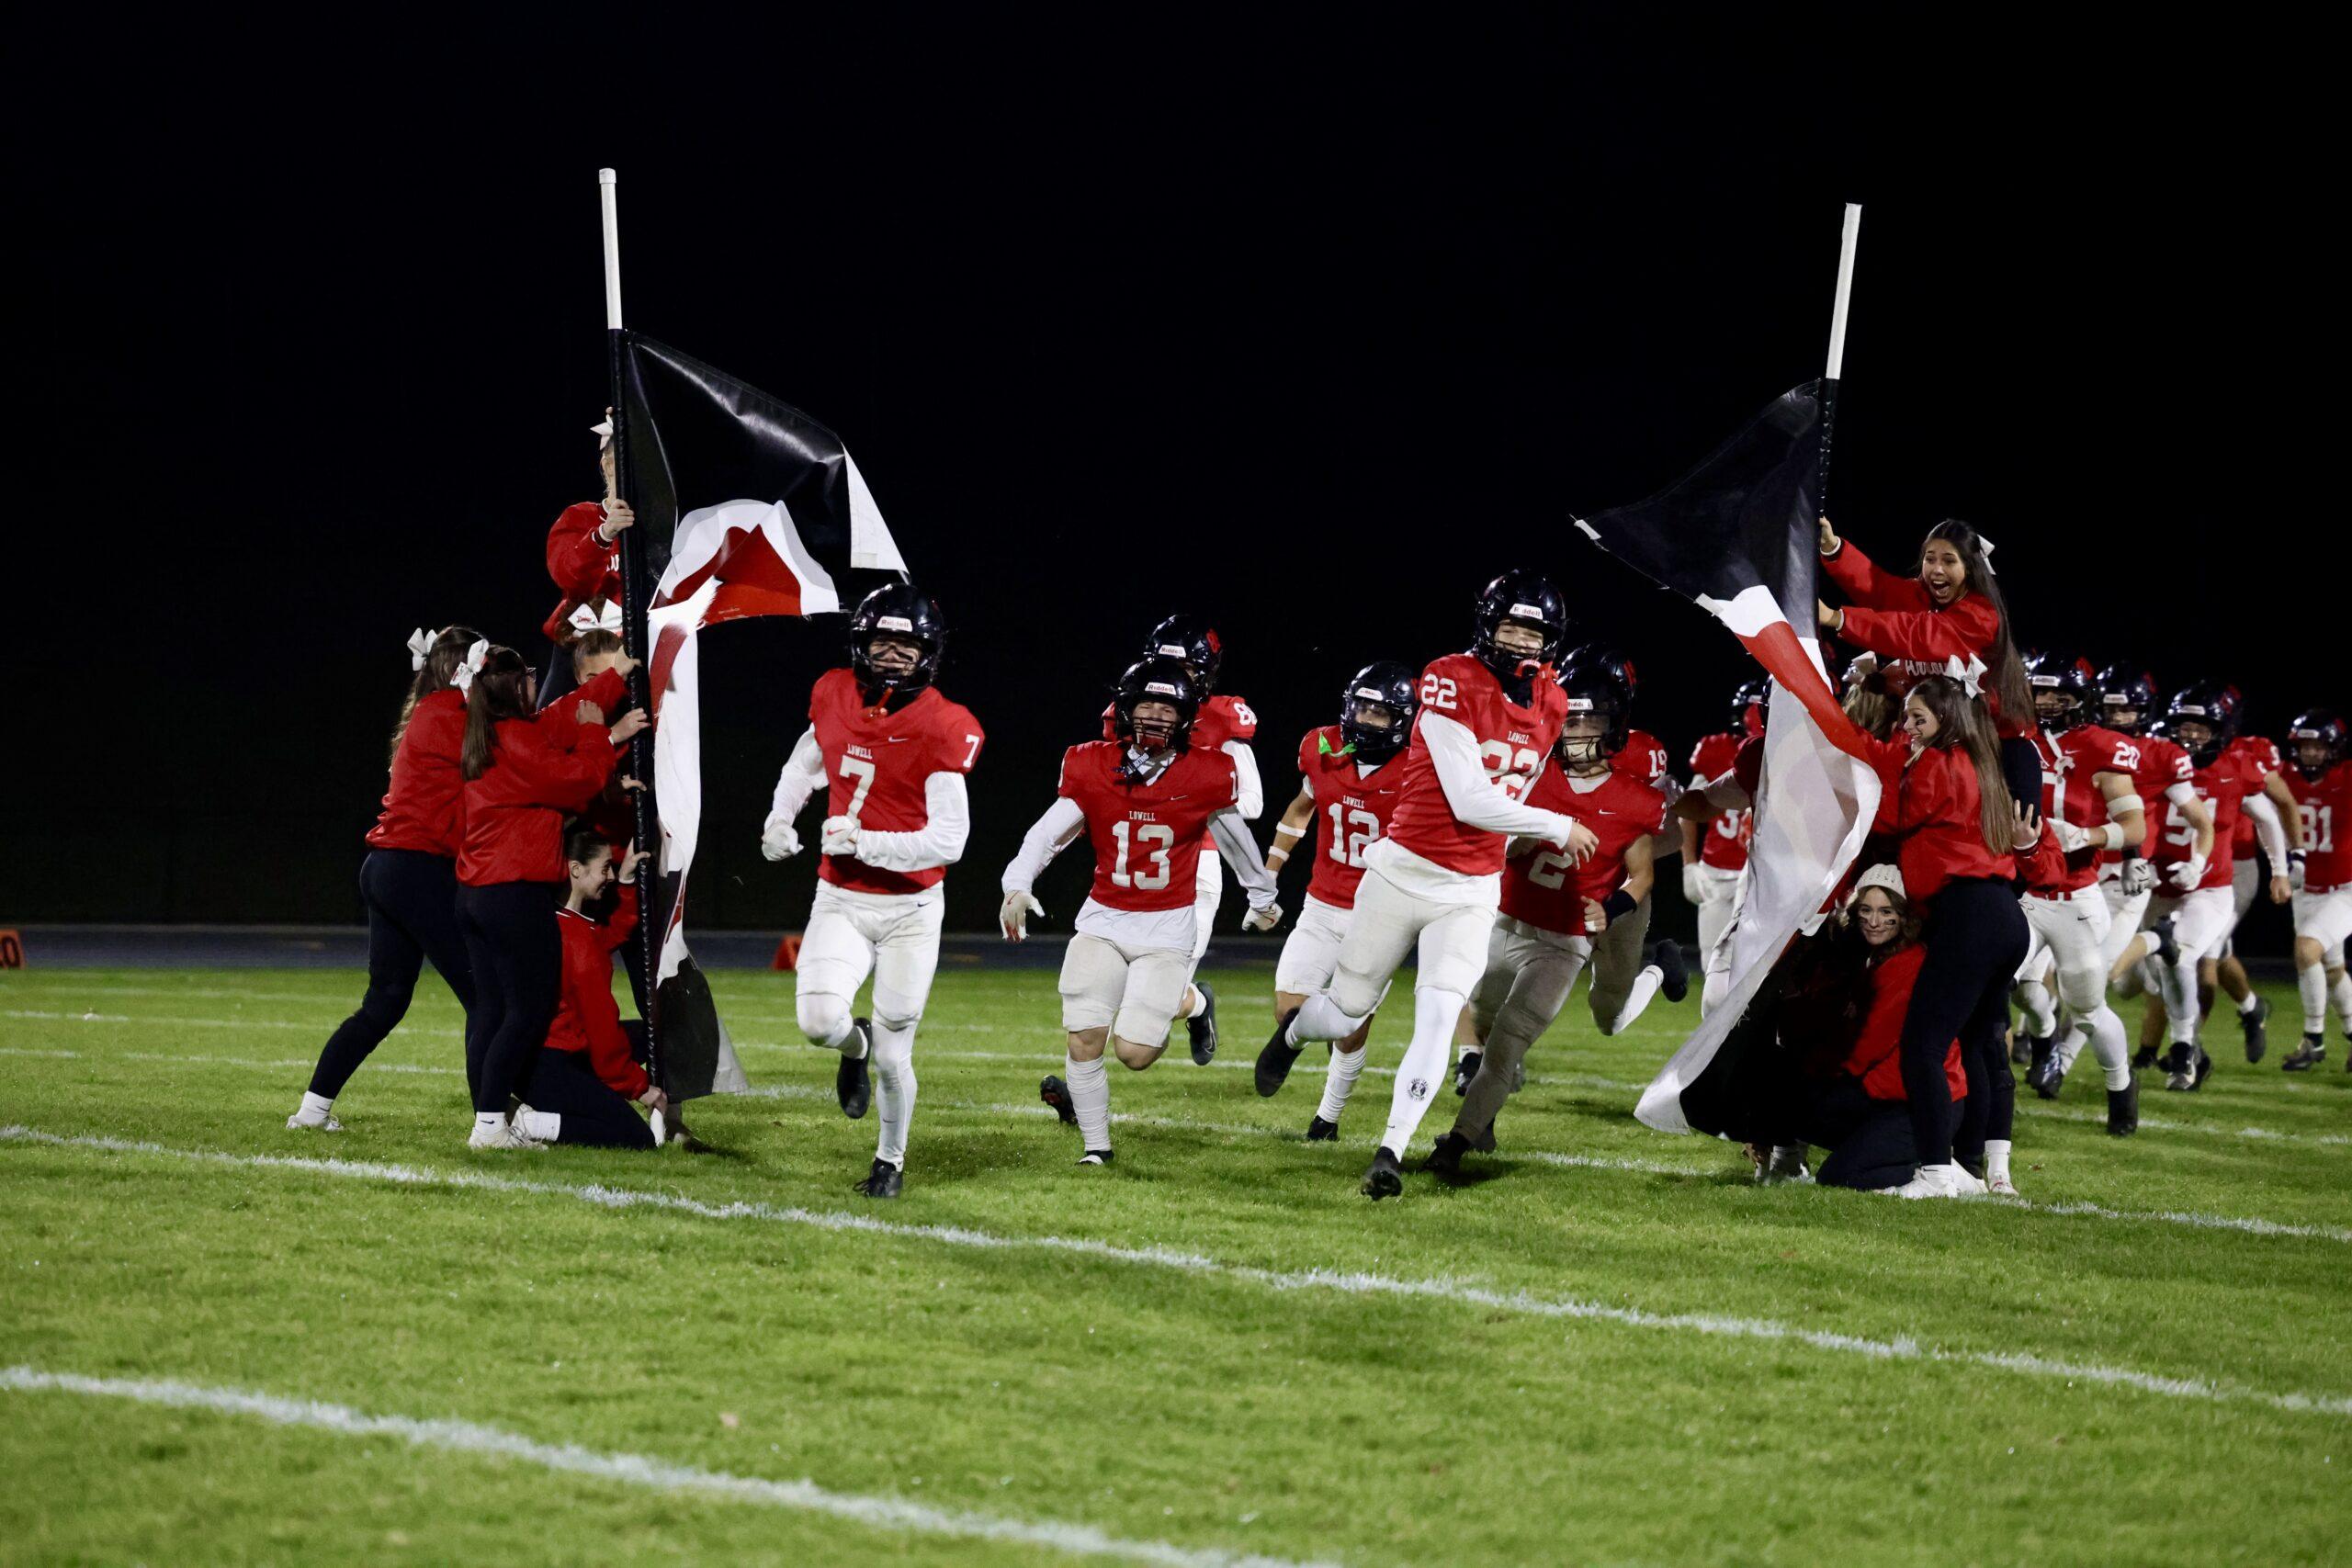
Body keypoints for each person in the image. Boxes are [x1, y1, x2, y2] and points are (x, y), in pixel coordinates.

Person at [1257, 570, 1596, 1199]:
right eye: (1511, 627)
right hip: (1403, 871)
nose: (1521, 642)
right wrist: (1556, 824)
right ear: (1487, 626)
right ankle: (1295, 1033)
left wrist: (1517, 841)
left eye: (1533, 633)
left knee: (1439, 1016)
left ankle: (1390, 1149)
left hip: (1470, 889)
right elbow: (1470, 798)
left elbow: (1516, 790)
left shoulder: (1552, 701)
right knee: (1347, 1009)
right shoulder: (1450, 678)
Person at [1003, 656, 1282, 1165]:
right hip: (1103, 920)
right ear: (1126, 710)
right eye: (1145, 706)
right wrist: (1017, 884)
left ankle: (1190, 1005)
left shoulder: (1206, 772)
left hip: (1166, 930)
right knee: (1085, 1037)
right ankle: (1097, 1148)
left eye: (1166, 708)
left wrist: (1262, 895)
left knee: (1133, 1053)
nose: (1154, 716)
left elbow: (1236, 841)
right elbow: (1047, 834)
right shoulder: (1093, 764)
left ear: (1187, 717)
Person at [758, 586, 983, 1198]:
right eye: (882, 641)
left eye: (906, 645)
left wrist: (865, 841)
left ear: (928, 654)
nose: (892, 655)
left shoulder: (941, 723)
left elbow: (950, 841)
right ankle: (850, 1047)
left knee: (894, 1053)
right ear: (861, 643)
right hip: (840, 896)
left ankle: (889, 1161)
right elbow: (805, 762)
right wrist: (780, 816)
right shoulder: (833, 691)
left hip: (911, 908)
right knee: (817, 1021)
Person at [1424, 658, 1668, 1174]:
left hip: (1564, 942)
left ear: (1613, 725)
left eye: (1590, 721)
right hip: (1503, 921)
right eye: (1571, 720)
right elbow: (1485, 829)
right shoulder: (1530, 773)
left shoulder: (1635, 799)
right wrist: (1513, 841)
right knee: (1480, 1020)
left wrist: (1610, 907)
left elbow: (1641, 875)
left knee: (1513, 1040)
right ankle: (1482, 1118)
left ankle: (1458, 1141)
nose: (1577, 732)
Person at [288, 626, 483, 1131]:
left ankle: (312, 1110)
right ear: (466, 669)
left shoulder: (428, 712)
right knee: (484, 997)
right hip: (416, 868)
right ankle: (495, 1122)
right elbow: (516, 752)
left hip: (387, 867)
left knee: (386, 1000)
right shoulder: (451, 713)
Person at [457, 643, 647, 1149]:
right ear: (512, 687)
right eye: (527, 677)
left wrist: (612, 680)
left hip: (477, 893)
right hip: (512, 893)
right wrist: (596, 734)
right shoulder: (515, 737)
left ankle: (491, 1118)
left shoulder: (492, 733)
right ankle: (491, 1125)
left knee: (493, 1013)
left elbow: (559, 718)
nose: (534, 683)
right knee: (526, 1012)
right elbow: (576, 780)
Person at [1850, 674, 2033, 1198]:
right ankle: (1971, 1169)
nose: (1907, 727)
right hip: (2003, 914)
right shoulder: (1980, 760)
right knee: (1977, 1045)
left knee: (1923, 1047)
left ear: (1946, 720)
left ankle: (1934, 1172)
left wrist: (1857, 740)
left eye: (1917, 718)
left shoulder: (1935, 762)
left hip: (1968, 914)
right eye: (1905, 717)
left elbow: (1889, 817)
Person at [1251, 661, 1417, 1137]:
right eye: (1361, 708)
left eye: (1379, 713)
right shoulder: (1321, 747)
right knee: (1288, 1009)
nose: (1366, 720)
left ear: (1401, 720)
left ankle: (1328, 1117)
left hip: (1382, 913)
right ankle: (1305, 1040)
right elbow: (1301, 808)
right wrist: (1269, 872)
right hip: (1322, 904)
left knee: (1349, 1027)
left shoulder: (1417, 769)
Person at [1100, 615, 1261, 1066]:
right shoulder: (1126, 713)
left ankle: (1197, 1003)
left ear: (1205, 674)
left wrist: (1186, 795)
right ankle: (1080, 1089)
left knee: (1153, 1002)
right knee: (1099, 989)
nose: (1172, 680)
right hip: (1132, 861)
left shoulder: (1221, 719)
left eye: (1187, 670)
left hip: (1194, 862)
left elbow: (1251, 802)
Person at [1746, 865, 1968, 1191]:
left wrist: (1810, 1075)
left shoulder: (1909, 963)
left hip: (1919, 1106)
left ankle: (1942, 1171)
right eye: (1866, 910)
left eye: (1886, 911)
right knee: (1787, 1093)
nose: (1874, 921)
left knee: (1838, 1175)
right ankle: (1787, 1161)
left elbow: (1865, 1046)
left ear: (1903, 915)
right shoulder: (1871, 958)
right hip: (1885, 1096)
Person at [1815, 514, 2041, 810]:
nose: (1936, 569)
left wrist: (1837, 618)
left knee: (2021, 831)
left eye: (1949, 561)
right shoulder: (1920, 598)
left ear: (1970, 568)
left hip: (1997, 748)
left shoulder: (1980, 616)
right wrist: (1833, 547)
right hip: (1938, 746)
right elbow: (1877, 587)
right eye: (1930, 559)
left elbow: (1915, 634)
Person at [2009, 652, 2144, 1134]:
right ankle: (2038, 1044)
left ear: (2080, 698)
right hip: (2021, 894)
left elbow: (2134, 826)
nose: (2047, 701)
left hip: (2074, 899)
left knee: (2087, 1009)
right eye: (2040, 691)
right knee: (2010, 987)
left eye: (2058, 693)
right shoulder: (2012, 736)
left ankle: (2121, 1088)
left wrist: (2088, 835)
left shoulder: (2102, 748)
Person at [2140, 682, 2295, 1090]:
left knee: (2185, 959)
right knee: (2142, 978)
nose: (2191, 736)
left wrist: (2281, 870)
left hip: (2214, 883)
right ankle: (2248, 1008)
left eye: (2201, 728)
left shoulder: (2236, 765)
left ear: (2221, 730)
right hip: (2159, 886)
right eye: (2185, 727)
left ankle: (2185, 1051)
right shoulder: (2156, 757)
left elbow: (2268, 818)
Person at [510, 832, 665, 1150]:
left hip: (534, 1059)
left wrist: (626, 880)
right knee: (635, 1137)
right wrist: (639, 1088)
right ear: (576, 869)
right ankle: (529, 1122)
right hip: (554, 1066)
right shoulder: (578, 940)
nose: (611, 876)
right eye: (605, 868)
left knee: (654, 1036)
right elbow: (601, 1030)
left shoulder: (556, 921)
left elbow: (607, 937)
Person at [537, 413, 633, 710]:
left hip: (630, 649)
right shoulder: (579, 518)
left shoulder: (654, 526)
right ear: (607, 466)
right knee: (548, 724)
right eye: (622, 463)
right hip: (578, 646)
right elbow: (567, 575)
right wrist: (603, 535)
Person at [1681, 679, 1765, 998]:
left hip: (1757, 873)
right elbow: (1690, 808)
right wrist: (1689, 864)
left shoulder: (1784, 751)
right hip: (1716, 871)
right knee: (1712, 964)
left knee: (1750, 965)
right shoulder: (1718, 750)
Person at [2280, 709, 2352, 1070]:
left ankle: (2314, 1039)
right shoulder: (2285, 777)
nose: (2311, 753)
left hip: (2345, 889)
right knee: (2332, 968)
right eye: (2305, 746)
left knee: (2306, 950)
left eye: (2319, 747)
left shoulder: (2347, 776)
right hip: (2305, 889)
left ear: (2334, 749)